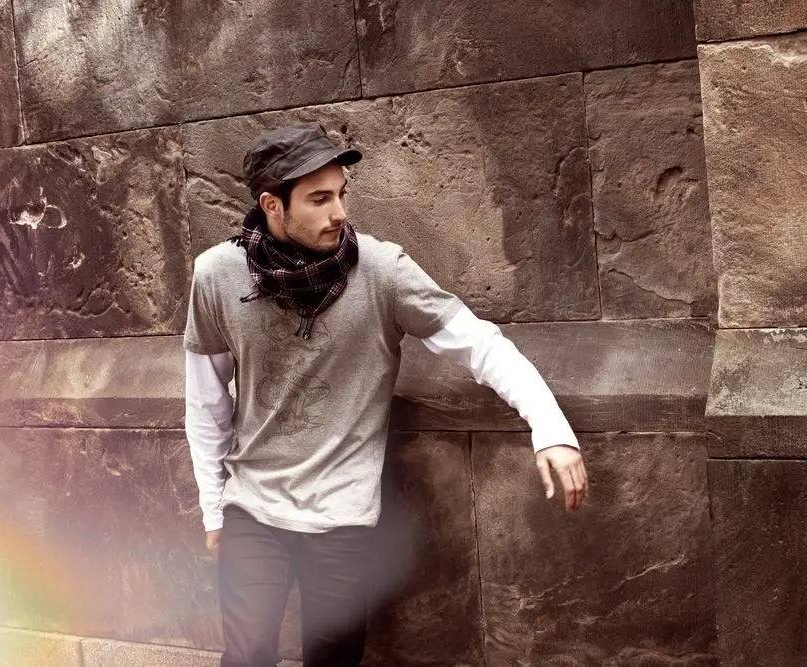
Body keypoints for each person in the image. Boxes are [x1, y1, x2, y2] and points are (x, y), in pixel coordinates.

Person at [184, 122, 588, 667]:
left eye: (341, 194)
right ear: (272, 206)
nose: (339, 213)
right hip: (251, 507)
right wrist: (213, 510)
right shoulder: (216, 275)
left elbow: (481, 346)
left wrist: (551, 429)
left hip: (343, 511)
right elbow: (207, 402)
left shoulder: (381, 271)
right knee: (246, 656)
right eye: (319, 199)